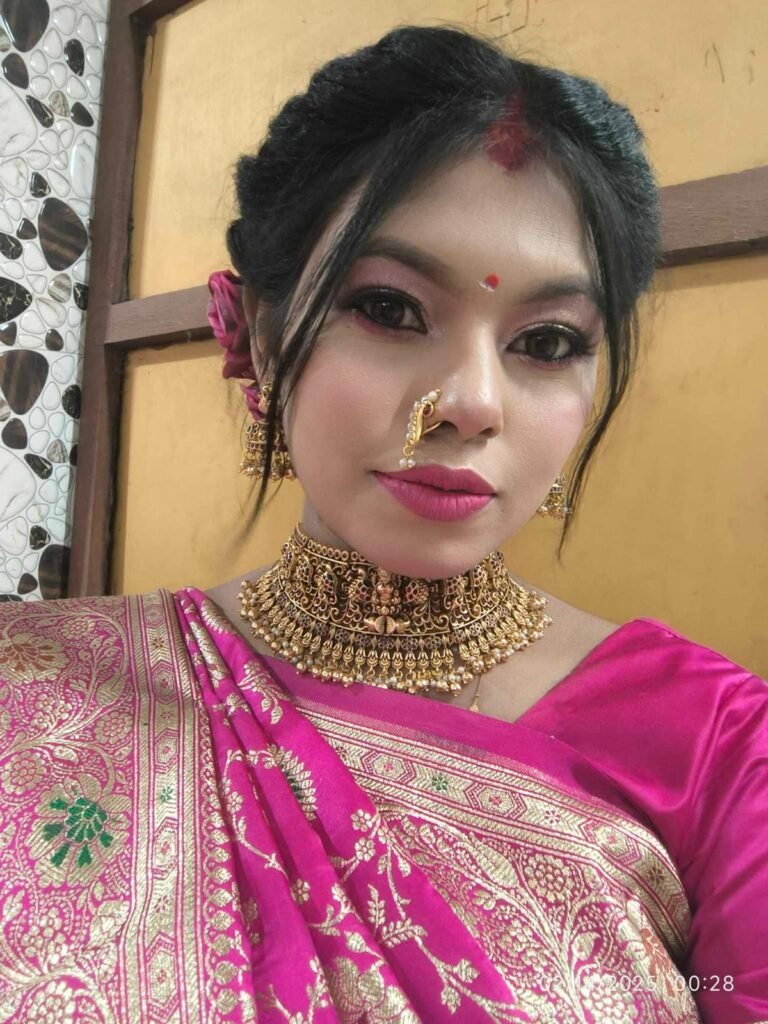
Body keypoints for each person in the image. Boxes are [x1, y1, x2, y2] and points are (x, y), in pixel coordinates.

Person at [0, 25, 765, 1024]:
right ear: (263, 334)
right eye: (391, 309)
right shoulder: (33, 689)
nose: (471, 404)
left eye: (547, 342)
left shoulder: (717, 742)